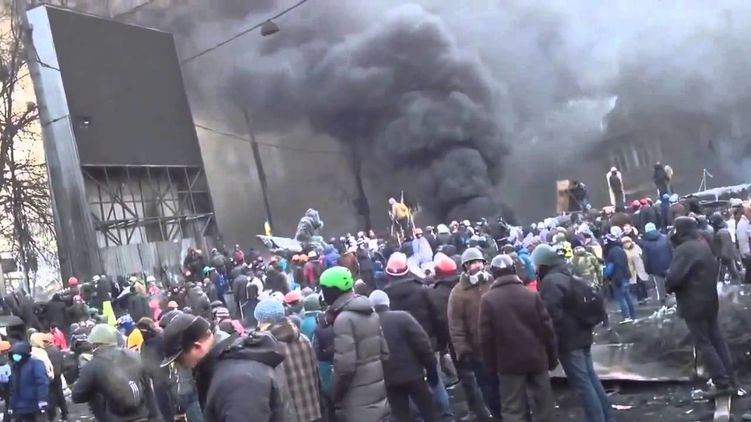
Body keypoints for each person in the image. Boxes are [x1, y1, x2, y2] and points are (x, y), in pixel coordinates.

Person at [532, 244, 614, 422]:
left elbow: (551, 316)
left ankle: (597, 419)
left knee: (583, 385)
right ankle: (607, 417)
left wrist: (550, 343)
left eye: (536, 264)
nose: (535, 268)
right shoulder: (566, 274)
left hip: (569, 342)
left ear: (543, 263)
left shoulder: (551, 282)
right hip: (582, 336)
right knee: (591, 379)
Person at [160, 313, 287, 422]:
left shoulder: (236, 378)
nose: (181, 365)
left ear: (197, 346)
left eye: (180, 358)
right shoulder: (224, 366)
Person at [479, 254, 557, 422]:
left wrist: (492, 366)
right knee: (544, 407)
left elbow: (486, 339)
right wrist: (551, 359)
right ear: (514, 270)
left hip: (508, 364)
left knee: (513, 409)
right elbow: (547, 331)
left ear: (493, 273)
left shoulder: (488, 300)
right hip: (537, 359)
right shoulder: (531, 295)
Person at [666, 217, 736, 396]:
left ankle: (722, 383)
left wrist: (669, 282)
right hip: (710, 301)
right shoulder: (703, 246)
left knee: (704, 343)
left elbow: (673, 279)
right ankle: (730, 378)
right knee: (717, 340)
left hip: (693, 303)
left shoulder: (684, 250)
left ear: (680, 231)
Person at [318, 266, 390, 422]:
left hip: (356, 403)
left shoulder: (344, 319)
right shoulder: (370, 312)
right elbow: (385, 353)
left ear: (332, 290)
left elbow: (345, 368)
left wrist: (334, 395)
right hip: (378, 396)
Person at [369, 290, 438, 422]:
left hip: (388, 379)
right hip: (413, 374)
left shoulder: (369, 325)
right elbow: (423, 344)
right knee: (429, 412)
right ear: (387, 302)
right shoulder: (403, 317)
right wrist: (431, 369)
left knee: (400, 416)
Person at [447, 247, 499, 420]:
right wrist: (463, 350)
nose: (476, 266)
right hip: (478, 352)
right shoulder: (458, 293)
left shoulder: (494, 282)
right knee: (489, 390)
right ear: (465, 267)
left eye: (478, 262)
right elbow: (455, 325)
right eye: (471, 263)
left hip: (501, 346)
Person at [72, 324, 162, 421]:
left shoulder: (93, 365)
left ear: (96, 344)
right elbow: (147, 387)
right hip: (144, 415)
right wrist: (156, 416)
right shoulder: (135, 356)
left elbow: (77, 396)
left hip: (115, 417)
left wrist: (94, 387)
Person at [256, 298, 323, 422]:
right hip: (312, 410)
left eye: (259, 321)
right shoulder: (303, 339)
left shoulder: (268, 347)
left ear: (263, 322)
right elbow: (317, 375)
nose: (257, 325)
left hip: (289, 415)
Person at [8, 342, 49, 422]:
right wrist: (11, 405)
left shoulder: (35, 364)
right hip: (20, 406)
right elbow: (13, 388)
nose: (15, 357)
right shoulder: (14, 366)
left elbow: (42, 382)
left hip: (34, 403)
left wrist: (42, 399)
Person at [604, 235, 635, 322]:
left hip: (617, 278)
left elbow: (610, 268)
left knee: (621, 297)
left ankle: (626, 316)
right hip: (625, 275)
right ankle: (632, 314)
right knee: (627, 296)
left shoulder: (611, 252)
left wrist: (607, 275)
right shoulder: (621, 250)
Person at [641, 222, 672, 304]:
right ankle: (673, 299)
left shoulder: (646, 243)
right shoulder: (665, 238)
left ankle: (663, 302)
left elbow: (645, 259)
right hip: (669, 266)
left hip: (655, 269)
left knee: (660, 286)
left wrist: (648, 270)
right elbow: (672, 251)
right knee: (671, 283)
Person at [41, 334, 68, 422]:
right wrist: (61, 371)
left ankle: (53, 415)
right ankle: (64, 413)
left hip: (51, 376)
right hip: (58, 374)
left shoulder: (45, 352)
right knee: (60, 394)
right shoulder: (56, 349)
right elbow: (62, 362)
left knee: (51, 395)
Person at [710, 213, 741, 283]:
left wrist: (723, 255)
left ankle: (736, 283)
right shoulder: (722, 231)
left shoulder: (722, 232)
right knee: (729, 271)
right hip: (724, 255)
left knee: (730, 271)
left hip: (723, 255)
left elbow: (725, 245)